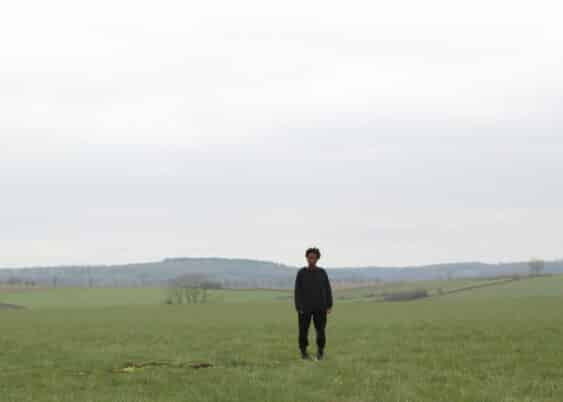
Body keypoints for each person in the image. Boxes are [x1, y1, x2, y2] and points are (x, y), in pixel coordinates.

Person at [294, 247, 333, 360]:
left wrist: (329, 305)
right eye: (309, 257)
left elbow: (327, 289)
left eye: (314, 258)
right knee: (303, 331)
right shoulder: (301, 273)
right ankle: (303, 352)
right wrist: (298, 307)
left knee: (321, 331)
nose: (311, 260)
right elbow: (297, 291)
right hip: (304, 308)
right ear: (306, 258)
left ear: (317, 259)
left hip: (320, 307)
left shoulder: (322, 273)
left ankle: (320, 352)